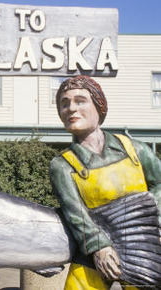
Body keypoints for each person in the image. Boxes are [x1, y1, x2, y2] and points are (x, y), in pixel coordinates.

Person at [49, 75, 161, 289]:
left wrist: (153, 222)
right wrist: (99, 247)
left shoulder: (134, 149)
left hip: (143, 247)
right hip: (94, 254)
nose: (71, 108)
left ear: (98, 106)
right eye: (64, 103)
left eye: (80, 100)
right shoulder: (63, 165)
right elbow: (76, 214)